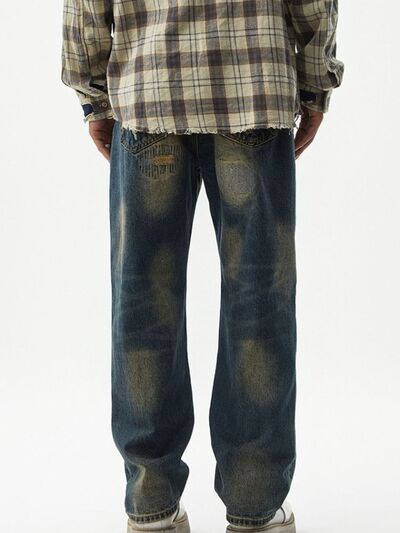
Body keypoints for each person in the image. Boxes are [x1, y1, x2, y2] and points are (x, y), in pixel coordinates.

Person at [61, 1, 343, 532]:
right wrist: (314, 83)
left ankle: (151, 503)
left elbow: (84, 8)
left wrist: (93, 97)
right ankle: (257, 506)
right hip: (252, 83)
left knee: (143, 302)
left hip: (147, 87)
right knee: (258, 300)